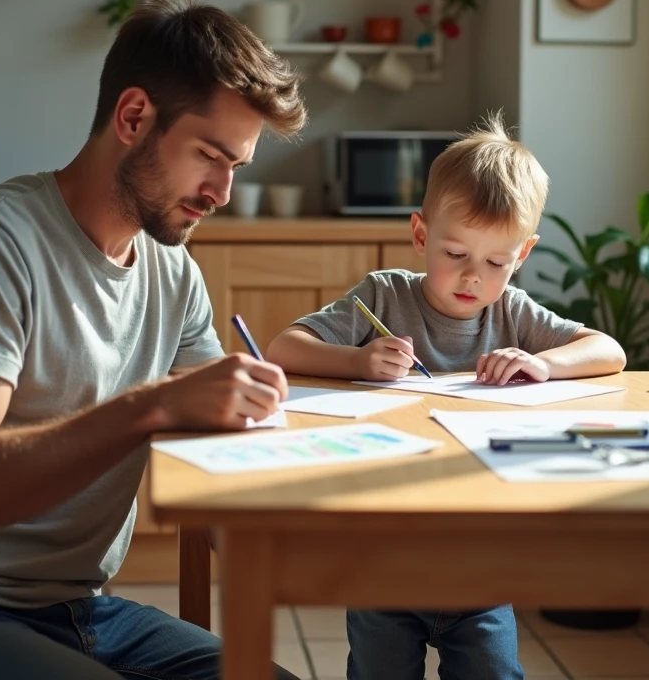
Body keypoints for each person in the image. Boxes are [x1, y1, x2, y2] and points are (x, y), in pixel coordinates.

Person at [0, 0, 307, 680]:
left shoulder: (173, 272)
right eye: (210, 156)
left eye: (237, 167)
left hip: (74, 607)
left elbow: (212, 444)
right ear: (134, 116)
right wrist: (151, 407)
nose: (222, 190)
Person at [265, 113, 627, 680]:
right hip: (382, 566)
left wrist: (541, 362)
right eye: (455, 254)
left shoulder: (512, 311)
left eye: (496, 263)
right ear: (420, 235)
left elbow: (608, 351)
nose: (473, 278)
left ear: (523, 254)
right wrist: (357, 360)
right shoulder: (383, 296)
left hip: (483, 569)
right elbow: (284, 347)